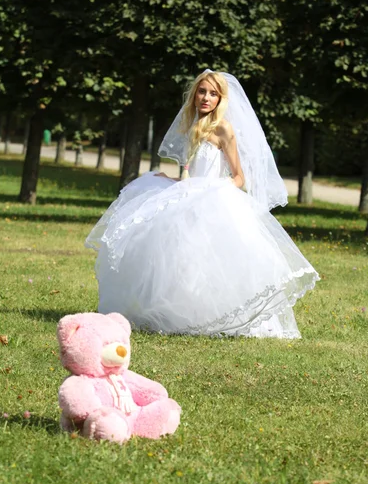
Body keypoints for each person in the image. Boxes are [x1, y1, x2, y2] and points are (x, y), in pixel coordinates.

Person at [86, 70, 319, 338]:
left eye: (212, 94)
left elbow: (239, 177)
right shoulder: (192, 124)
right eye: (201, 91)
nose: (206, 98)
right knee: (172, 255)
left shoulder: (224, 129)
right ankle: (173, 313)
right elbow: (192, 171)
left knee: (207, 260)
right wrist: (175, 180)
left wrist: (211, 190)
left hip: (212, 199)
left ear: (221, 98)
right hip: (189, 196)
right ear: (194, 94)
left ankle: (215, 317)